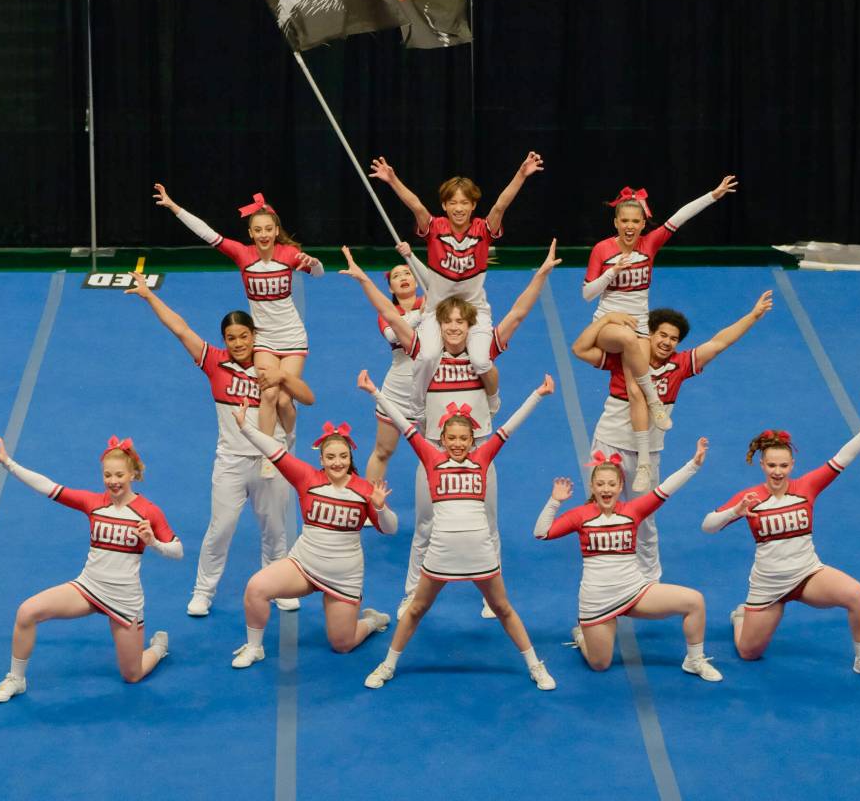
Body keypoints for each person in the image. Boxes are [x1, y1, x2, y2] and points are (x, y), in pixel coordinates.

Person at [341, 241, 561, 618]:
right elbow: (389, 315)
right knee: (425, 525)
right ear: (438, 325)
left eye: (462, 322)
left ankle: (491, 597)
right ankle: (412, 591)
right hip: (434, 456)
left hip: (478, 455)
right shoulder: (422, 354)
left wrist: (541, 274)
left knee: (489, 523)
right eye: (448, 322)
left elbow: (519, 313)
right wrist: (363, 279)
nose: (455, 327)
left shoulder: (484, 353)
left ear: (470, 325)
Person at [126, 271, 314, 616]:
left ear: (254, 335)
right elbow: (180, 329)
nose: (239, 343)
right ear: (224, 340)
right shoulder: (215, 362)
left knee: (275, 531)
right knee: (220, 529)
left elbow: (306, 397)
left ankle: (280, 586)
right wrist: (149, 296)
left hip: (272, 460)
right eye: (232, 338)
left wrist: (285, 376)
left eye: (244, 336)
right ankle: (203, 592)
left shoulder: (269, 366)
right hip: (230, 460)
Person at [358, 369, 558, 692]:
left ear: (472, 439)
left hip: (481, 553)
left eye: (463, 439)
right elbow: (404, 424)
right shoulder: (431, 458)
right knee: (416, 608)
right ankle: (388, 665)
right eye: (451, 438)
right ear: (442, 438)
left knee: (504, 609)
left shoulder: (483, 458)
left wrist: (538, 394)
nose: (457, 444)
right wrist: (374, 392)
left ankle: (535, 666)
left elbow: (511, 425)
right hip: (441, 554)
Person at [572, 290, 773, 579]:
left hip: (648, 454)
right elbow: (580, 348)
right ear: (649, 334)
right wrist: (606, 319)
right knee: (599, 513)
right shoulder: (623, 357)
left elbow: (719, 343)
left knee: (644, 519)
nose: (667, 342)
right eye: (662, 335)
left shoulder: (680, 365)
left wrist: (752, 316)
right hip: (609, 444)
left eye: (674, 338)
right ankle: (601, 576)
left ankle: (649, 580)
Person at [701, 395, 860, 682]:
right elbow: (708, 526)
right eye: (772, 465)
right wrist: (735, 511)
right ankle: (740, 616)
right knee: (749, 653)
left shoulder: (807, 487)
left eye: (784, 466)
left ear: (792, 464)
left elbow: (843, 458)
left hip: (807, 575)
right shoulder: (750, 498)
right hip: (769, 585)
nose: (778, 472)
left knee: (858, 596)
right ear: (762, 464)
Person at [0, 433, 182, 703]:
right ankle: (16, 678)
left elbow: (178, 550)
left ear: (133, 475)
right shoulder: (93, 503)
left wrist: (154, 543)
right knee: (26, 612)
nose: (113, 482)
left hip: (124, 599)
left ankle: (158, 649)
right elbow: (50, 487)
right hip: (88, 588)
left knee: (132, 674)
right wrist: (10, 464)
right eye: (108, 475)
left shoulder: (149, 511)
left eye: (119, 475)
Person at [227, 401, 397, 668]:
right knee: (256, 588)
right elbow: (274, 451)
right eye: (330, 457)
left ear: (350, 457)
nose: (337, 462)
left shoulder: (364, 490)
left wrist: (381, 507)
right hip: (303, 566)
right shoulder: (307, 478)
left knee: (343, 644)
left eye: (342, 456)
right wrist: (245, 427)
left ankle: (372, 620)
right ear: (321, 459)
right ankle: (254, 647)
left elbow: (390, 529)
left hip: (344, 576)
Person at [368, 151, 544, 405]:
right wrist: (393, 180)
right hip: (436, 310)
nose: (459, 208)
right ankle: (417, 404)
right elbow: (416, 205)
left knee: (482, 360)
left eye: (464, 203)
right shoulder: (435, 228)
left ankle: (493, 399)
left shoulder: (483, 229)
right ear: (444, 206)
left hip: (475, 309)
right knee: (427, 357)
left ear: (473, 205)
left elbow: (500, 205)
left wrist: (521, 174)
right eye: (453, 203)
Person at [534, 444, 721, 681]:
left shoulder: (633, 510)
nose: (606, 489)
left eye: (612, 484)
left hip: (634, 592)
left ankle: (694, 660)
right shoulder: (580, 515)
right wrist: (555, 501)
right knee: (600, 664)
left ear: (621, 486)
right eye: (600, 484)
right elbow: (541, 533)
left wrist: (693, 464)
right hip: (597, 600)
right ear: (592, 486)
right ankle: (583, 635)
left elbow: (664, 490)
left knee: (694, 601)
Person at [577, 177, 739, 451]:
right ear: (616, 222)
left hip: (639, 326)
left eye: (635, 222)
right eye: (624, 221)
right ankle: (655, 400)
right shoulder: (602, 250)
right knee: (629, 345)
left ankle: (642, 458)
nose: (629, 226)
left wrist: (713, 195)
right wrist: (611, 273)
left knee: (633, 388)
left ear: (643, 224)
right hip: (608, 326)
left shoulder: (649, 245)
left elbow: (679, 217)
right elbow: (587, 294)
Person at [153, 184, 323, 439]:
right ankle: (268, 455)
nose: (264, 234)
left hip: (292, 336)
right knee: (268, 394)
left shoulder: (290, 254)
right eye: (258, 230)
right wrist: (173, 207)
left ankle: (288, 440)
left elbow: (319, 273)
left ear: (276, 231)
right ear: (250, 233)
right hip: (263, 338)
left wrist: (314, 263)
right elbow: (208, 234)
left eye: (268, 229)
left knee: (285, 401)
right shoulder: (243, 254)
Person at [365, 262, 424, 484]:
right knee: (383, 451)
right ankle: (371, 507)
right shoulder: (387, 313)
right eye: (396, 276)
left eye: (407, 273)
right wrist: (421, 315)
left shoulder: (432, 303)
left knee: (437, 452)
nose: (403, 277)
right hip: (397, 391)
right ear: (390, 289)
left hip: (430, 388)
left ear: (417, 281)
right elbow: (394, 336)